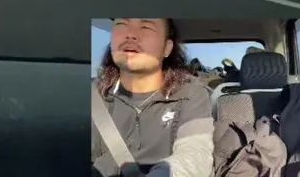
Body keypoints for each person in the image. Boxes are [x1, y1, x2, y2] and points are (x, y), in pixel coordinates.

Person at [91, 18, 213, 177]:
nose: (130, 34)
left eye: (146, 26)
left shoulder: (191, 93)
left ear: (167, 48)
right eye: (122, 24)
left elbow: (195, 154)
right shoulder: (93, 95)